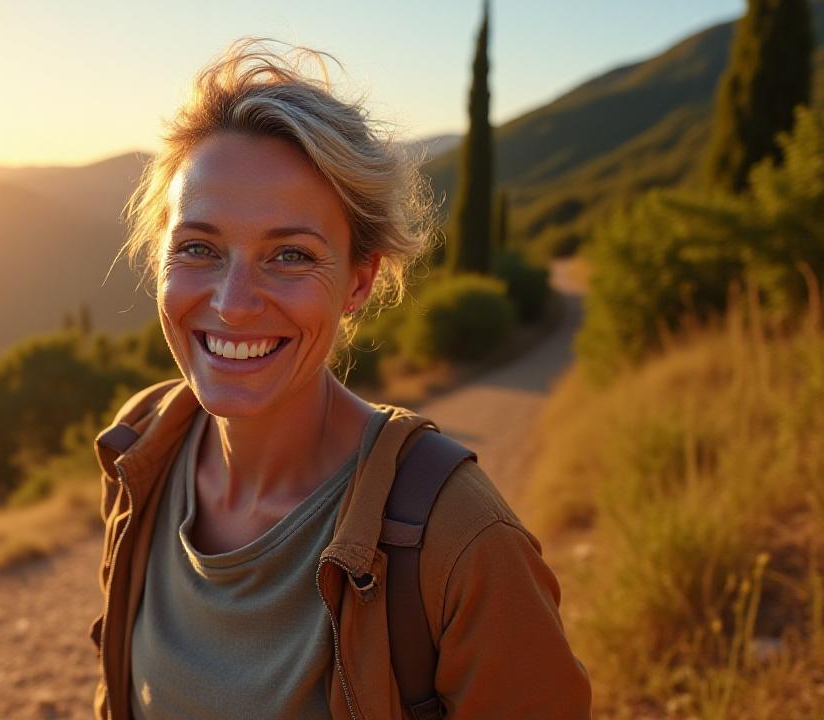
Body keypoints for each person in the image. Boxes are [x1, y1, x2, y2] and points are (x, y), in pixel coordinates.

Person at [90, 39, 591, 719]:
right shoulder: (142, 447)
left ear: (358, 282)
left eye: (290, 255)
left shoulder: (463, 541)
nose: (233, 302)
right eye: (199, 248)